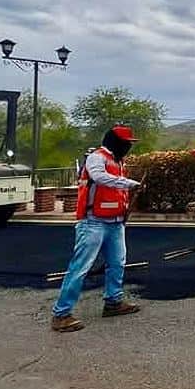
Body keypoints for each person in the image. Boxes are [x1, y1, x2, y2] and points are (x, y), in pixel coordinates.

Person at [49, 125, 143, 332]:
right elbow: (100, 178)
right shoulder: (96, 158)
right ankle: (61, 314)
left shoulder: (118, 161)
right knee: (81, 267)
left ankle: (113, 302)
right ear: (115, 142)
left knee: (117, 263)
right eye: (126, 143)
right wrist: (128, 183)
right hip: (92, 222)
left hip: (115, 222)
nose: (128, 147)